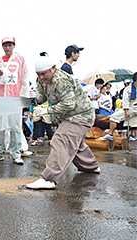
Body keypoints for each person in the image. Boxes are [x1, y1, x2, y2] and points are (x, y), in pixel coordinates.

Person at [26, 56, 100, 190]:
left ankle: (48, 179)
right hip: (68, 116)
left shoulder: (62, 80)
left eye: (44, 73)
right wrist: (35, 97)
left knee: (62, 139)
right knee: (76, 145)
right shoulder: (41, 80)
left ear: (53, 68)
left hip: (80, 115)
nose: (41, 77)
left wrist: (46, 111)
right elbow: (43, 97)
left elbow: (68, 105)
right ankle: (92, 167)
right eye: (38, 74)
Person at [0, 36, 30, 165]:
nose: (7, 48)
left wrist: (23, 96)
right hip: (0, 98)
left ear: (14, 46)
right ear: (2, 47)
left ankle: (16, 153)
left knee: (15, 127)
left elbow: (25, 78)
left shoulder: (20, 60)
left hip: (14, 99)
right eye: (5, 45)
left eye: (10, 45)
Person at [100, 72, 137, 141]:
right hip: (131, 108)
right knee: (114, 117)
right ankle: (111, 134)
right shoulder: (127, 89)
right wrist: (126, 111)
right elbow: (125, 101)